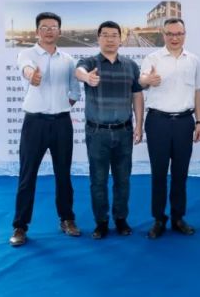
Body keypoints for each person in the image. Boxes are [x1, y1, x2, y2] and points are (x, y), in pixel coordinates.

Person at [9, 12, 81, 246]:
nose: (49, 31)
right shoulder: (27, 54)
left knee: (64, 174)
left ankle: (67, 219)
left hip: (61, 123)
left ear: (60, 31)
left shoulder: (68, 60)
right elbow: (26, 69)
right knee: (27, 175)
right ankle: (20, 226)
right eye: (44, 27)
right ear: (37, 31)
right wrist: (32, 76)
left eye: (53, 27)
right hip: (35, 123)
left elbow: (75, 91)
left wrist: (61, 106)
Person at [76, 21, 144, 239]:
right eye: (105, 35)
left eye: (114, 35)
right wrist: (87, 77)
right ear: (98, 38)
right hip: (97, 133)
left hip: (124, 131)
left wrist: (139, 124)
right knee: (98, 180)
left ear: (120, 39)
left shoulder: (131, 66)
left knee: (123, 179)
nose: (110, 39)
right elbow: (78, 72)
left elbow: (137, 95)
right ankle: (101, 222)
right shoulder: (90, 63)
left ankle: (121, 219)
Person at [139, 17, 200, 238]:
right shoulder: (153, 58)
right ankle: (159, 218)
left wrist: (199, 121)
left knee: (180, 173)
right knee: (158, 173)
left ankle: (178, 217)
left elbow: (197, 91)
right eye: (170, 34)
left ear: (185, 35)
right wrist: (148, 80)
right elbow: (141, 80)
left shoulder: (193, 60)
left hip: (185, 122)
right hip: (158, 122)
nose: (174, 38)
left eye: (179, 34)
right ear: (163, 35)